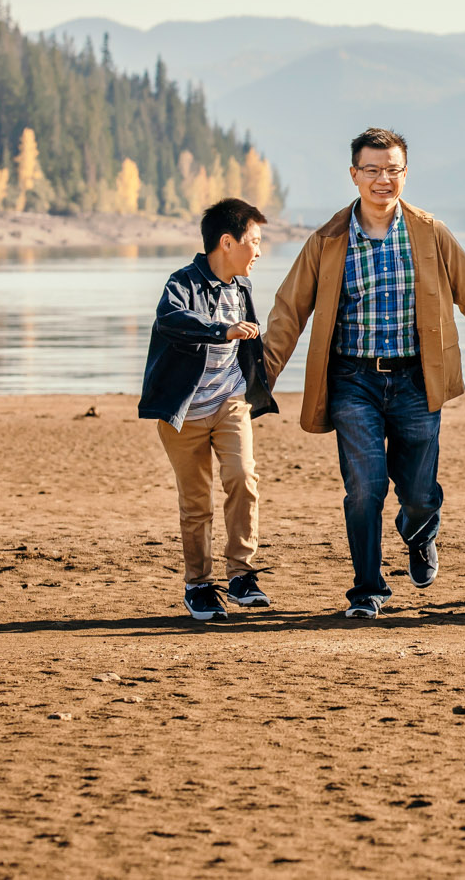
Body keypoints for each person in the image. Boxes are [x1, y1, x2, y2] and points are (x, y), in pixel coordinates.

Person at [262, 127, 465, 619]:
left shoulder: (429, 232)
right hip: (352, 380)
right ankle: (367, 590)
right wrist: (262, 375)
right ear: (354, 175)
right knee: (365, 486)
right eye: (372, 170)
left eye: (393, 170)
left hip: (416, 379)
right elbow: (288, 310)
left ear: (405, 173)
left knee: (419, 492)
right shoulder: (327, 240)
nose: (383, 179)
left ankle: (420, 527)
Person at [138, 196, 277, 622]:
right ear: (227, 242)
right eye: (253, 240)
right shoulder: (182, 283)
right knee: (195, 502)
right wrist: (223, 330)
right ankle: (198, 585)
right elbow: (170, 320)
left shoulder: (243, 287)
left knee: (243, 478)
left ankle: (241, 574)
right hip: (184, 412)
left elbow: (252, 343)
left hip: (229, 400)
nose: (258, 250)